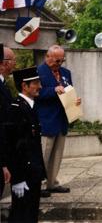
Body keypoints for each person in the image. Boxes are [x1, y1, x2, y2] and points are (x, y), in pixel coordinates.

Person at [36, 45, 81, 196]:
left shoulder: (66, 73)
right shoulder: (38, 72)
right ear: (47, 57)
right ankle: (39, 186)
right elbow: (36, 93)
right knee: (44, 155)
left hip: (62, 119)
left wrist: (75, 100)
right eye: (56, 61)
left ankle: (52, 182)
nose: (59, 64)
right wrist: (53, 90)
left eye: (61, 61)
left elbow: (69, 91)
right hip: (46, 119)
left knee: (57, 155)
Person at [3, 67, 47, 223]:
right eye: (36, 83)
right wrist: (18, 179)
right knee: (21, 215)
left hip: (32, 173)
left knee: (31, 214)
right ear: (24, 86)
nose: (40, 86)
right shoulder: (17, 109)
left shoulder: (30, 106)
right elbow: (13, 146)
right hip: (24, 174)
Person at [0, 45, 16, 198]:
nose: (15, 64)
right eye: (13, 60)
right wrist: (4, 163)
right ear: (4, 63)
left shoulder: (4, 85)